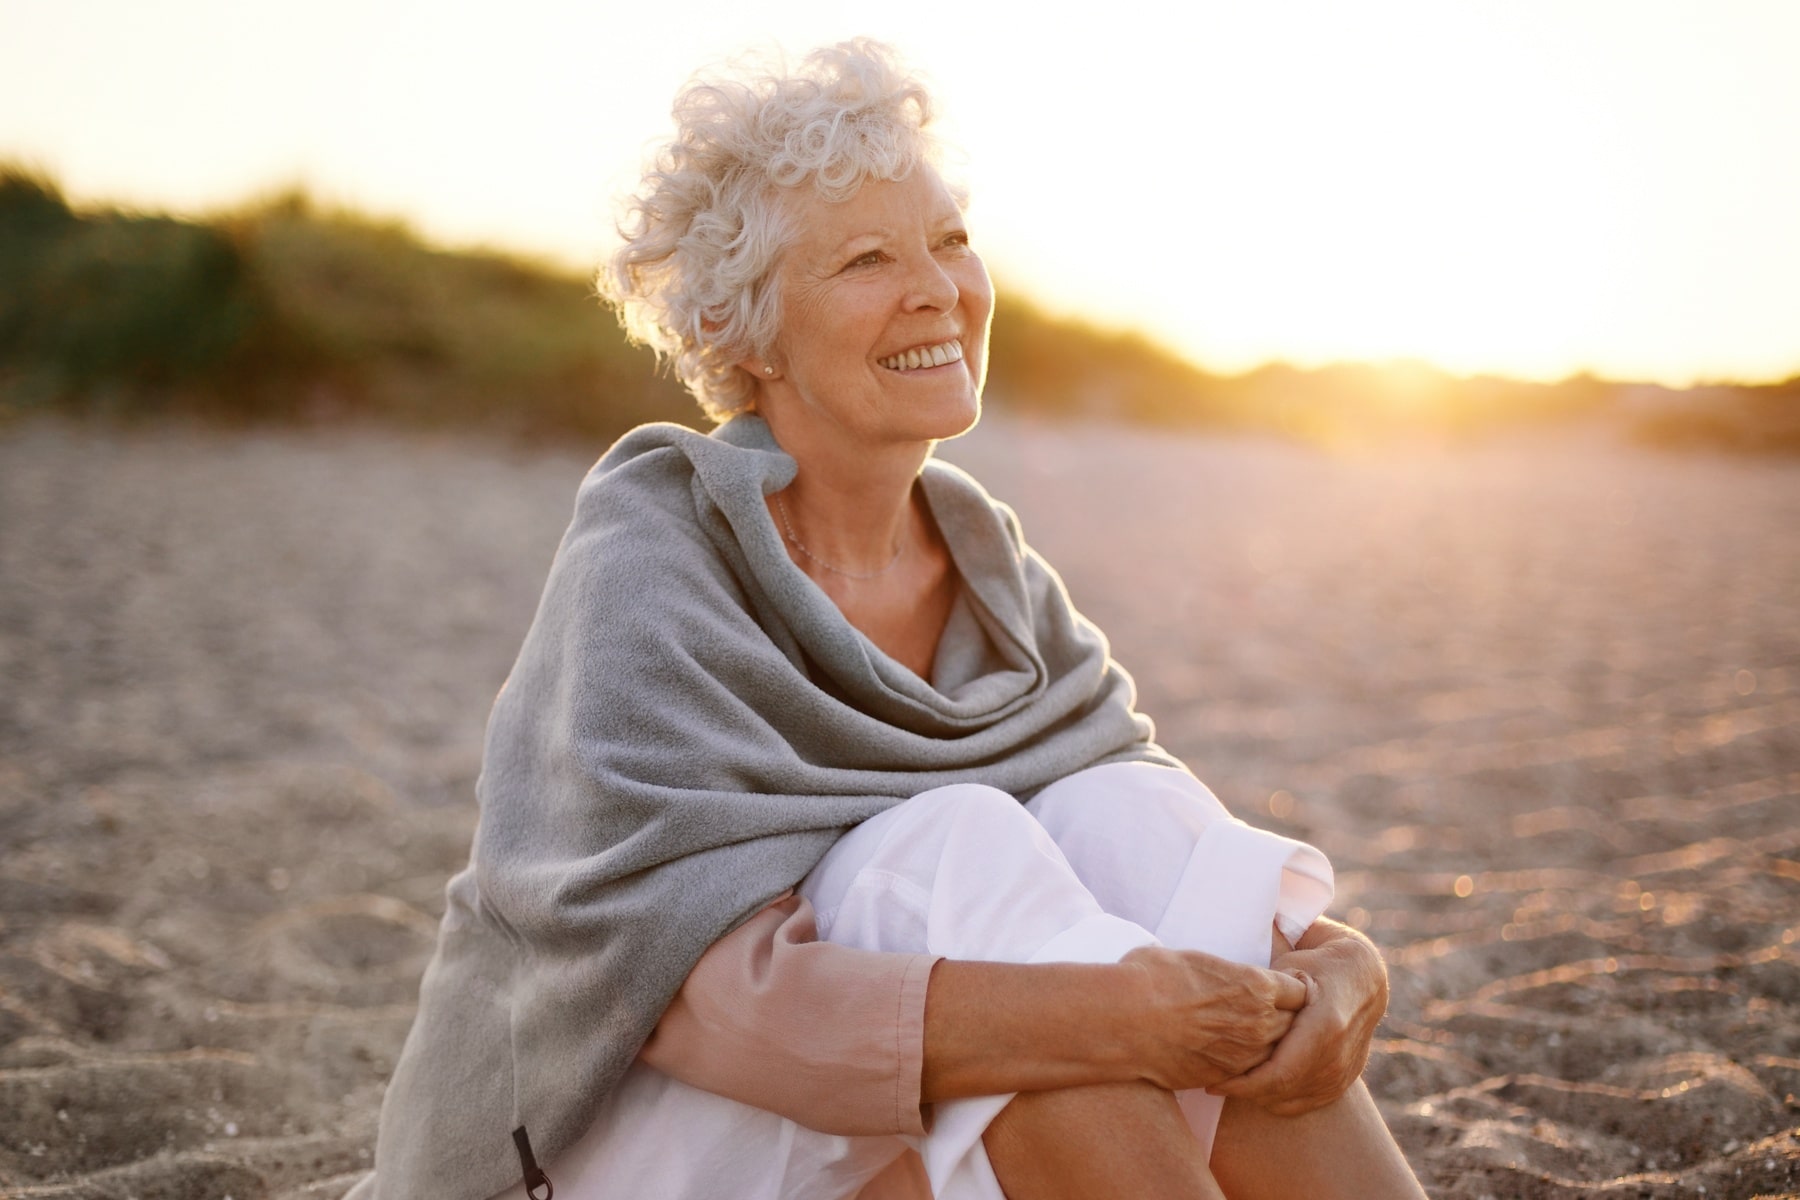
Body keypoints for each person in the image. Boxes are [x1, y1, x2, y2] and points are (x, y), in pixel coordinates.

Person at [346, 40, 1427, 1200]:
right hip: (598, 1138)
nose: (937, 290)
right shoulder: (654, 556)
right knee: (950, 846)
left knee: (1128, 807)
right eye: (867, 258)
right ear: (748, 336)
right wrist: (1117, 1014)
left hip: (879, 1115)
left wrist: (1340, 972)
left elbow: (1160, 850)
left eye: (951, 241)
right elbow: (686, 1001)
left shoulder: (984, 560)